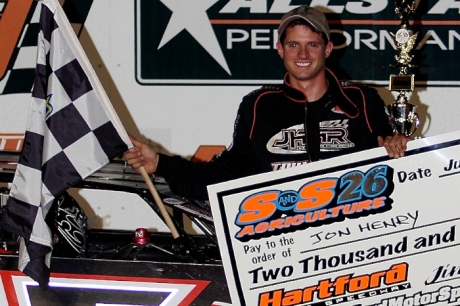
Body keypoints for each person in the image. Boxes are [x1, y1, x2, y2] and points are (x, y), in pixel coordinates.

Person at [124, 5, 411, 201]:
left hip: (352, 240)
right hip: (283, 242)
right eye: (293, 44)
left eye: (312, 44)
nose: (303, 53)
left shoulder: (362, 99)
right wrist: (160, 163)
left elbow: (395, 158)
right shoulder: (259, 104)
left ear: (327, 48)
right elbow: (224, 174)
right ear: (279, 49)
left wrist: (401, 145)